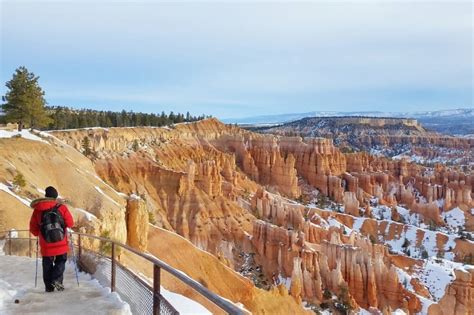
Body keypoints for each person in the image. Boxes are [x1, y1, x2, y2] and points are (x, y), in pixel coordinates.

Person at [29, 186, 74, 292]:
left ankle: (49, 287)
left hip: (46, 243)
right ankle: (57, 280)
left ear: (46, 196)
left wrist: (37, 233)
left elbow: (33, 228)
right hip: (61, 242)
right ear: (56, 196)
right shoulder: (61, 208)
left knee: (47, 264)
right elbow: (70, 223)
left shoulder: (38, 210)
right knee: (61, 261)